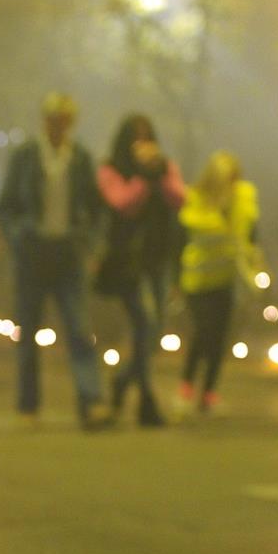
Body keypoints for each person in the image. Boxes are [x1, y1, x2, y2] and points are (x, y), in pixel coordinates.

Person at [0, 92, 111, 430]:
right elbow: (5, 206)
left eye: (65, 119)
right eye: (53, 119)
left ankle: (91, 401)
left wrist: (90, 243)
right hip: (33, 252)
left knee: (78, 328)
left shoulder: (80, 158)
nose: (59, 125)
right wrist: (17, 235)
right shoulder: (26, 157)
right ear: (45, 121)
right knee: (28, 331)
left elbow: (97, 206)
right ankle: (28, 404)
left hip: (68, 252)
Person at [95, 113, 185, 426]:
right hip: (126, 262)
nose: (142, 143)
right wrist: (144, 179)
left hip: (158, 259)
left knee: (154, 330)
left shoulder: (164, 166)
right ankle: (146, 401)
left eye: (147, 136)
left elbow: (179, 199)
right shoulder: (110, 170)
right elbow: (122, 204)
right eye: (136, 137)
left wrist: (159, 174)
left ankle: (122, 381)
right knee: (145, 323)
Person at [176, 151, 263, 415]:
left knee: (218, 338)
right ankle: (187, 386)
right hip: (197, 282)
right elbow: (182, 240)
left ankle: (208, 393)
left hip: (225, 282)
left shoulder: (241, 205)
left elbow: (250, 240)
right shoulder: (195, 204)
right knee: (204, 334)